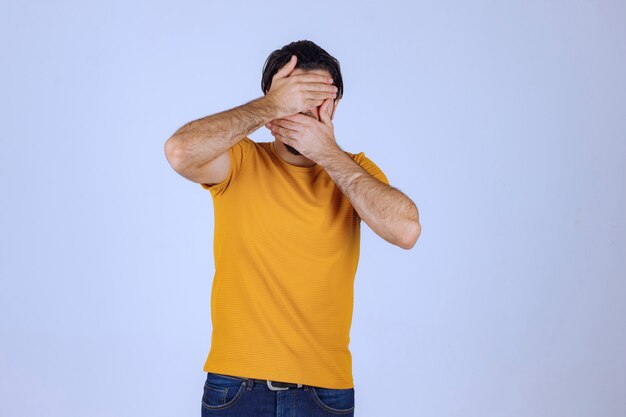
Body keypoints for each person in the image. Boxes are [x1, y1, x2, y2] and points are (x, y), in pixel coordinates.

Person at [164, 40, 421, 417]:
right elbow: (180, 151)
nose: (305, 111)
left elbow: (406, 230)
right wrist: (270, 105)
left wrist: (327, 153)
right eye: (294, 99)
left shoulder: (353, 171)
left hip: (325, 393)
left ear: (334, 107)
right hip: (236, 388)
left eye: (318, 101)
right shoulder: (240, 160)